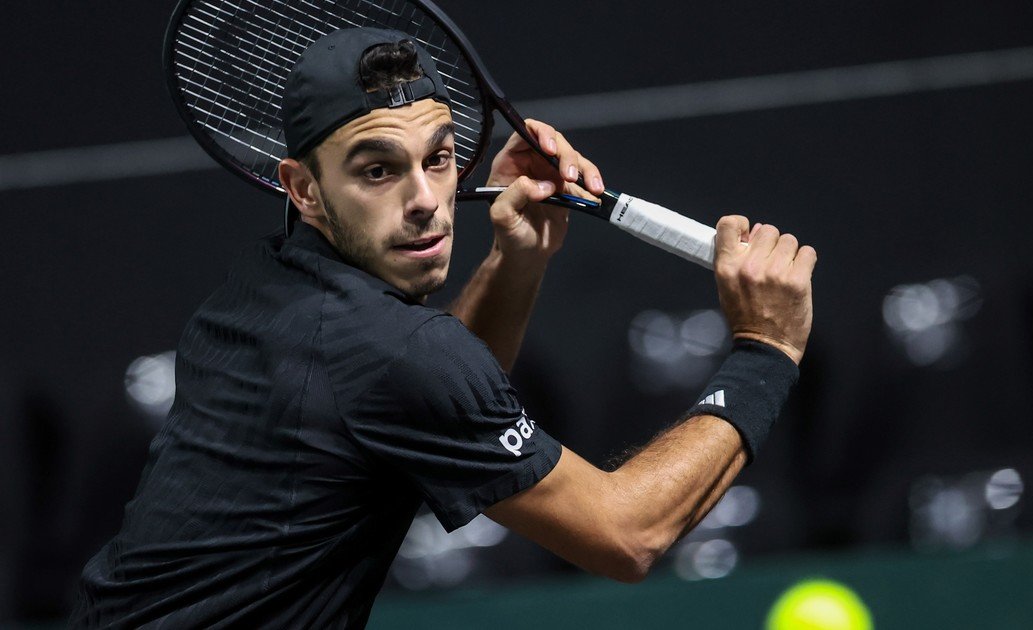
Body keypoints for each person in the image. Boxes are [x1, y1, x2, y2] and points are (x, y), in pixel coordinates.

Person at [71, 27, 816, 628]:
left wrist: (516, 260)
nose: (426, 199)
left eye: (440, 158)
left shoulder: (258, 293)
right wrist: (765, 350)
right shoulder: (385, 349)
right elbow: (627, 535)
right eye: (377, 171)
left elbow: (428, 402)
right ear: (303, 188)